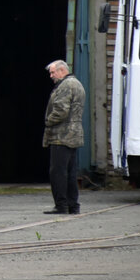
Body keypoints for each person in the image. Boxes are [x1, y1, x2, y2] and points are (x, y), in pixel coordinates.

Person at [42, 59, 85, 215]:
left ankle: (61, 205)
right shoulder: (77, 84)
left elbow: (61, 110)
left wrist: (48, 121)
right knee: (70, 172)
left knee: (58, 172)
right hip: (73, 134)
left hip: (62, 135)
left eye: (53, 72)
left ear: (62, 70)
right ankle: (73, 205)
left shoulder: (66, 85)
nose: (51, 76)